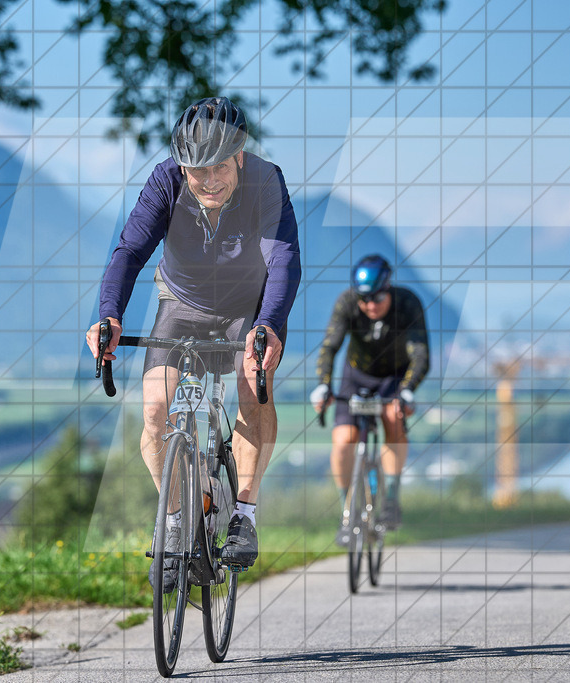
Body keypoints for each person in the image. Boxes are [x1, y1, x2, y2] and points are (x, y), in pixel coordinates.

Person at [86, 97, 301, 590]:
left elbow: (284, 260)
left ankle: (243, 513)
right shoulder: (165, 181)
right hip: (180, 303)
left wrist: (269, 326)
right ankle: (177, 523)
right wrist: (109, 316)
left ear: (240, 156)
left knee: (253, 384)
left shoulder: (266, 181)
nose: (207, 181)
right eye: (195, 170)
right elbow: (130, 251)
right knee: (157, 412)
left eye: (218, 168)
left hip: (248, 305)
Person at [309, 254, 429, 544]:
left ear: (388, 289)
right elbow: (329, 347)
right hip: (356, 376)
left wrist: (408, 389)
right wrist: (323, 385)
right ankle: (347, 514)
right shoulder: (347, 302)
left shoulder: (408, 303)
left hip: (395, 378)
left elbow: (421, 355)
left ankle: (391, 499)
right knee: (342, 444)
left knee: (392, 418)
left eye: (377, 298)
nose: (370, 305)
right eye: (364, 300)